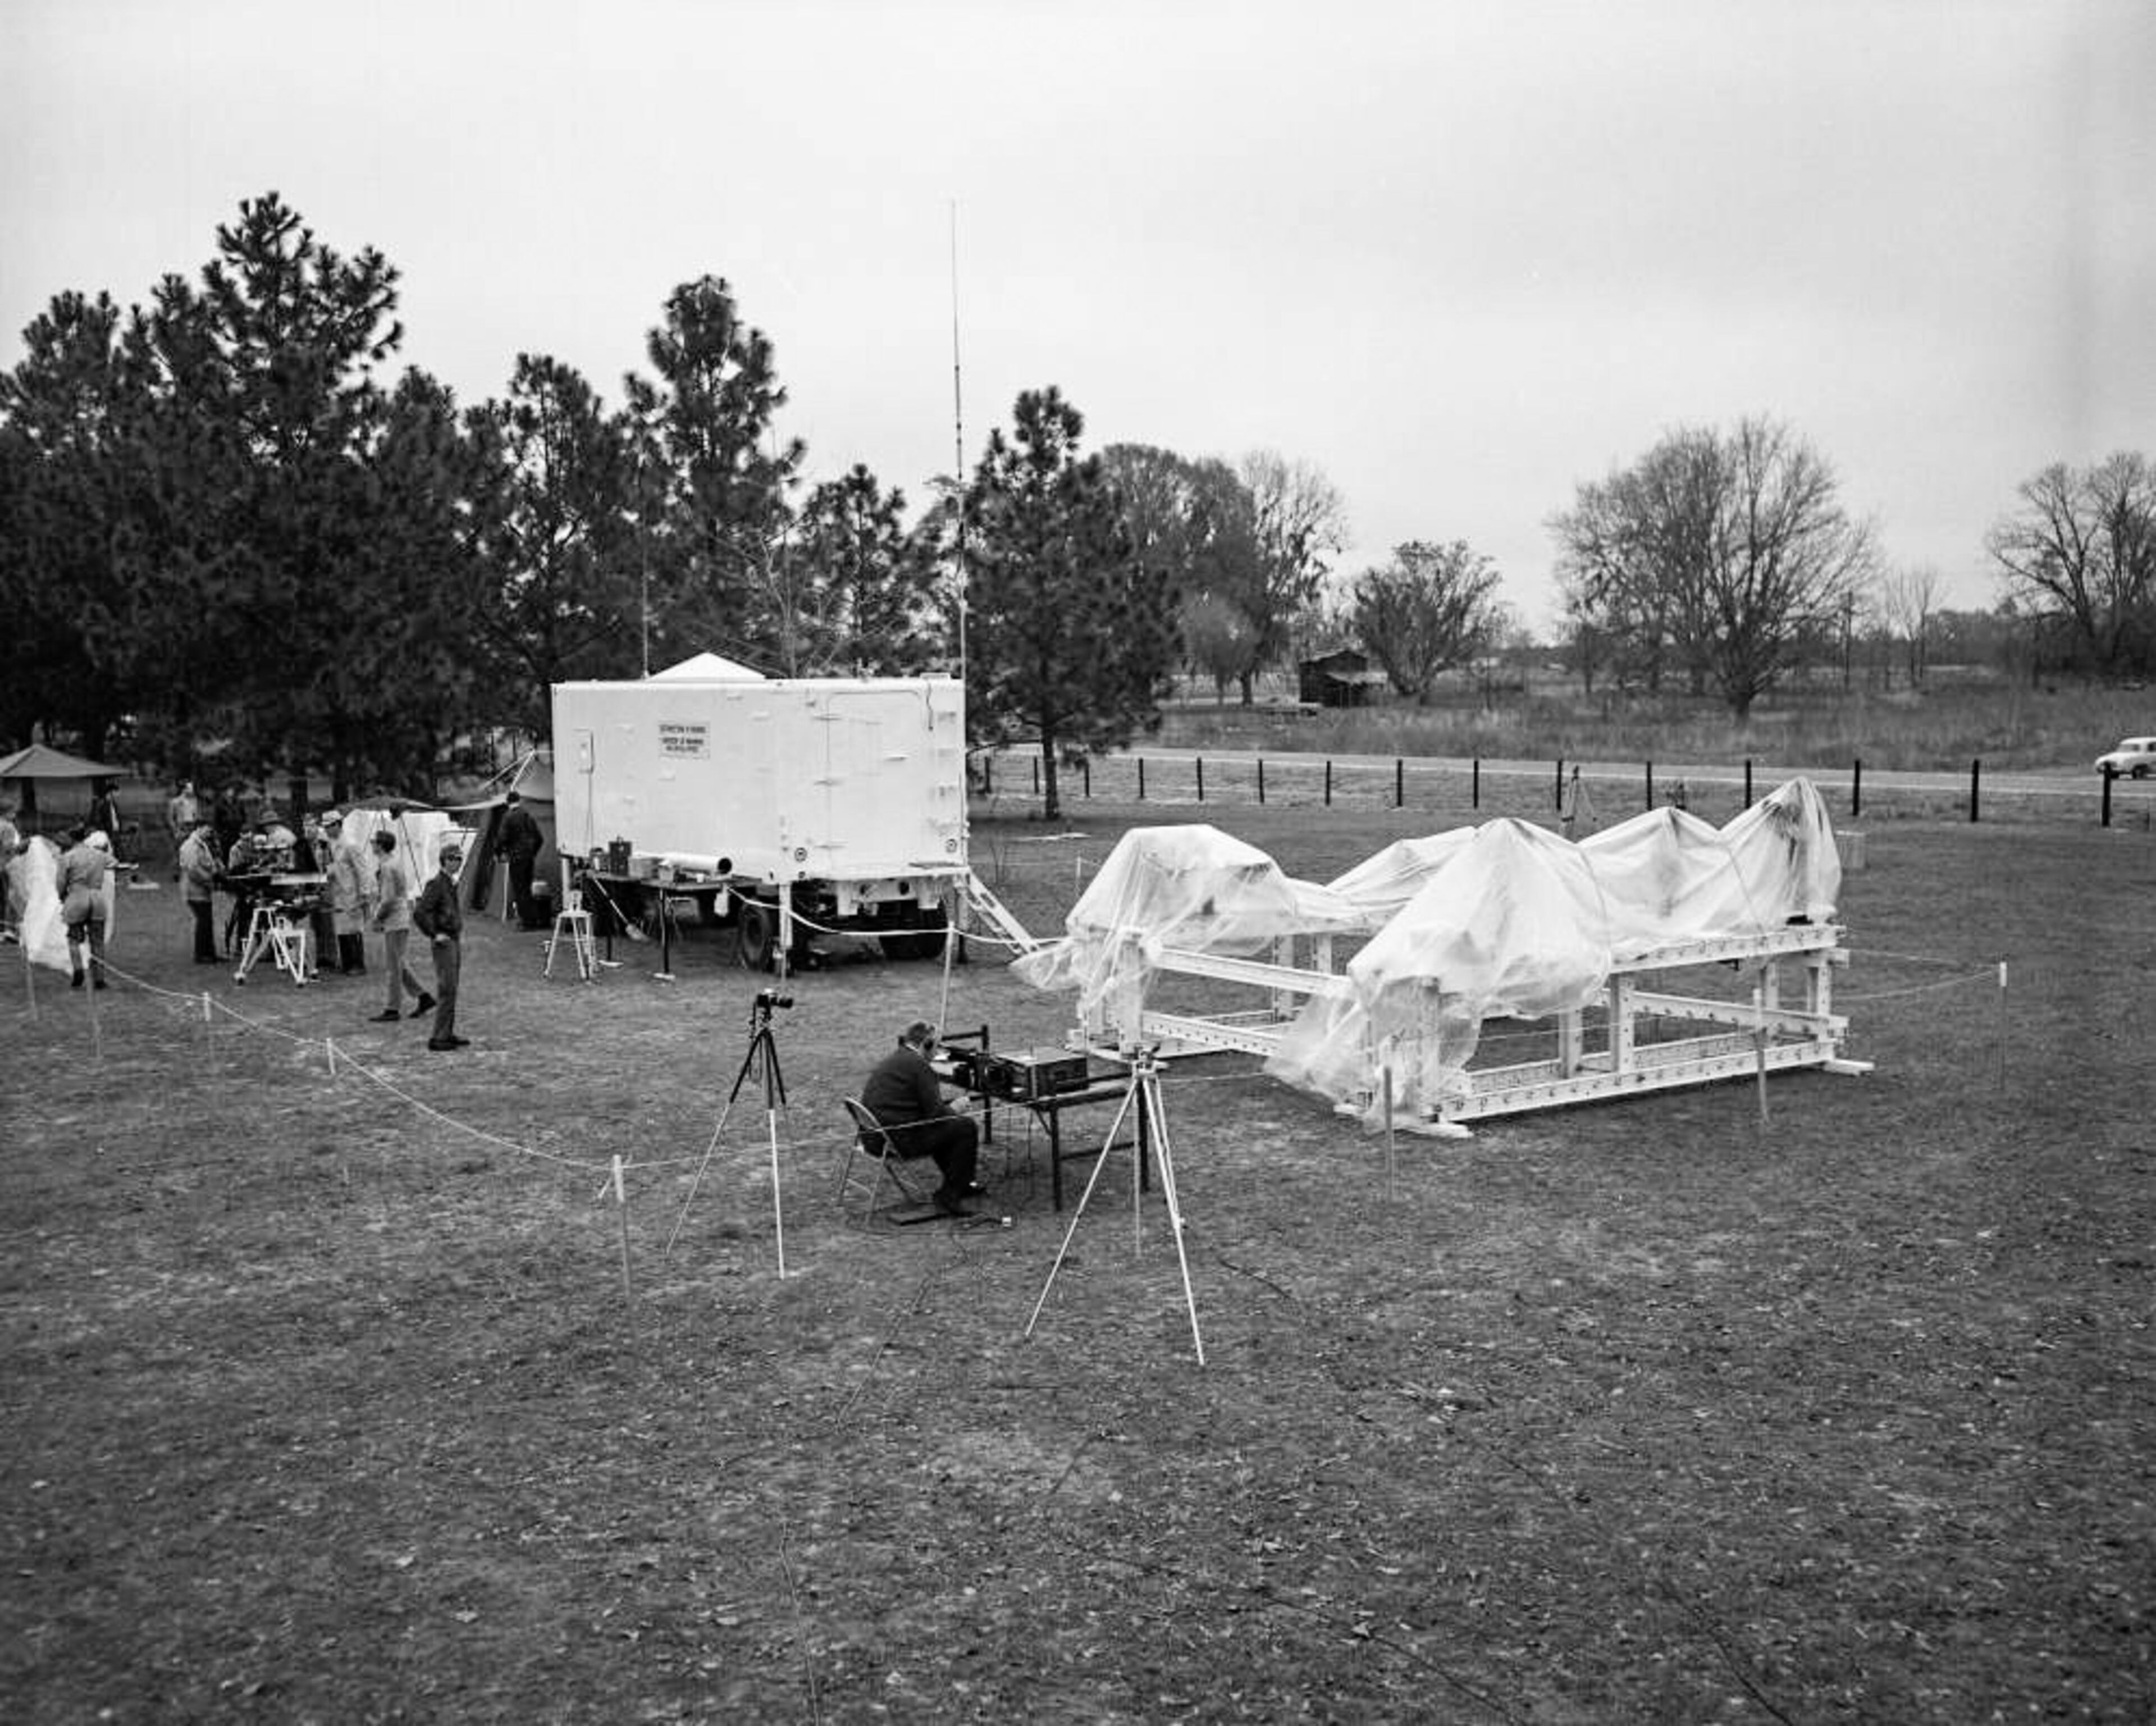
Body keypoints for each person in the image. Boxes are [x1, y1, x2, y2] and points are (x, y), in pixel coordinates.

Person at [859, 1020, 983, 1216]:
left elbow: (928, 1113)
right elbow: (937, 1116)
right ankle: (949, 1196)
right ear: (927, 1044)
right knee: (965, 1128)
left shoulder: (898, 1058)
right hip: (896, 1141)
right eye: (937, 1045)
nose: (938, 1051)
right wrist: (956, 1107)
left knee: (949, 1130)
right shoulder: (920, 1067)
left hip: (873, 1138)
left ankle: (961, 1183)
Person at [367, 829, 432, 1022]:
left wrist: (377, 918)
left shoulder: (388, 866)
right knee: (399, 964)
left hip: (395, 920)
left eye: (374, 842)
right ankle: (424, 998)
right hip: (399, 919)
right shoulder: (393, 862)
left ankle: (392, 1009)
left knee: (394, 967)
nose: (371, 844)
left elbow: (388, 899)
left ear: (380, 845)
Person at [412, 841, 467, 1051]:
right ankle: (439, 1037)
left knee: (452, 989)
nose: (459, 862)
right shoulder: (436, 884)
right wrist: (435, 934)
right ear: (445, 860)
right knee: (447, 988)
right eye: (455, 858)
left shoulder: (450, 883)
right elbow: (420, 912)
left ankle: (447, 1032)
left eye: (460, 858)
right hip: (444, 942)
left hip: (453, 939)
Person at [58, 828, 114, 989]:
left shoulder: (67, 857)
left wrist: (61, 896)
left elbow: (61, 882)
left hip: (77, 899)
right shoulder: (99, 855)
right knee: (97, 941)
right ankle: (100, 979)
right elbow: (114, 863)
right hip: (97, 899)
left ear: (71, 839)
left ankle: (78, 970)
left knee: (73, 938)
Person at [322, 811, 369, 975]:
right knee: (341, 929)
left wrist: (364, 893)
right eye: (325, 827)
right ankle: (347, 963)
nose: (327, 830)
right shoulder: (331, 844)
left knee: (354, 929)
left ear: (338, 825)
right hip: (338, 892)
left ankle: (358, 964)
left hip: (352, 892)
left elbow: (362, 870)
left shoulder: (350, 844)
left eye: (329, 826)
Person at [496, 791, 545, 929]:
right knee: (527, 890)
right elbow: (540, 838)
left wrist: (499, 853)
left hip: (516, 858)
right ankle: (534, 921)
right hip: (529, 858)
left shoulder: (508, 817)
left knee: (520, 890)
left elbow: (502, 838)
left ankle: (527, 923)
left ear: (508, 802)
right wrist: (532, 853)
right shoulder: (527, 816)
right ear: (520, 800)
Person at [178, 816, 221, 962]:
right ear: (200, 828)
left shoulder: (201, 845)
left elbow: (207, 864)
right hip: (194, 890)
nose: (210, 833)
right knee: (203, 922)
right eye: (208, 830)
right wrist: (209, 881)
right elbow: (193, 870)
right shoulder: (190, 846)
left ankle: (210, 954)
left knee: (207, 922)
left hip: (202, 890)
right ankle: (201, 955)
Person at [165, 780, 198, 878]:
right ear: (184, 790)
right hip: (181, 826)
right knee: (179, 851)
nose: (192, 790)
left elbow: (195, 815)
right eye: (189, 788)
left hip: (191, 827)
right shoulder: (175, 802)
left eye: (192, 788)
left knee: (191, 852)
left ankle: (190, 874)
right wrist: (175, 830)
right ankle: (178, 874)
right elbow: (170, 818)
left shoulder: (194, 801)